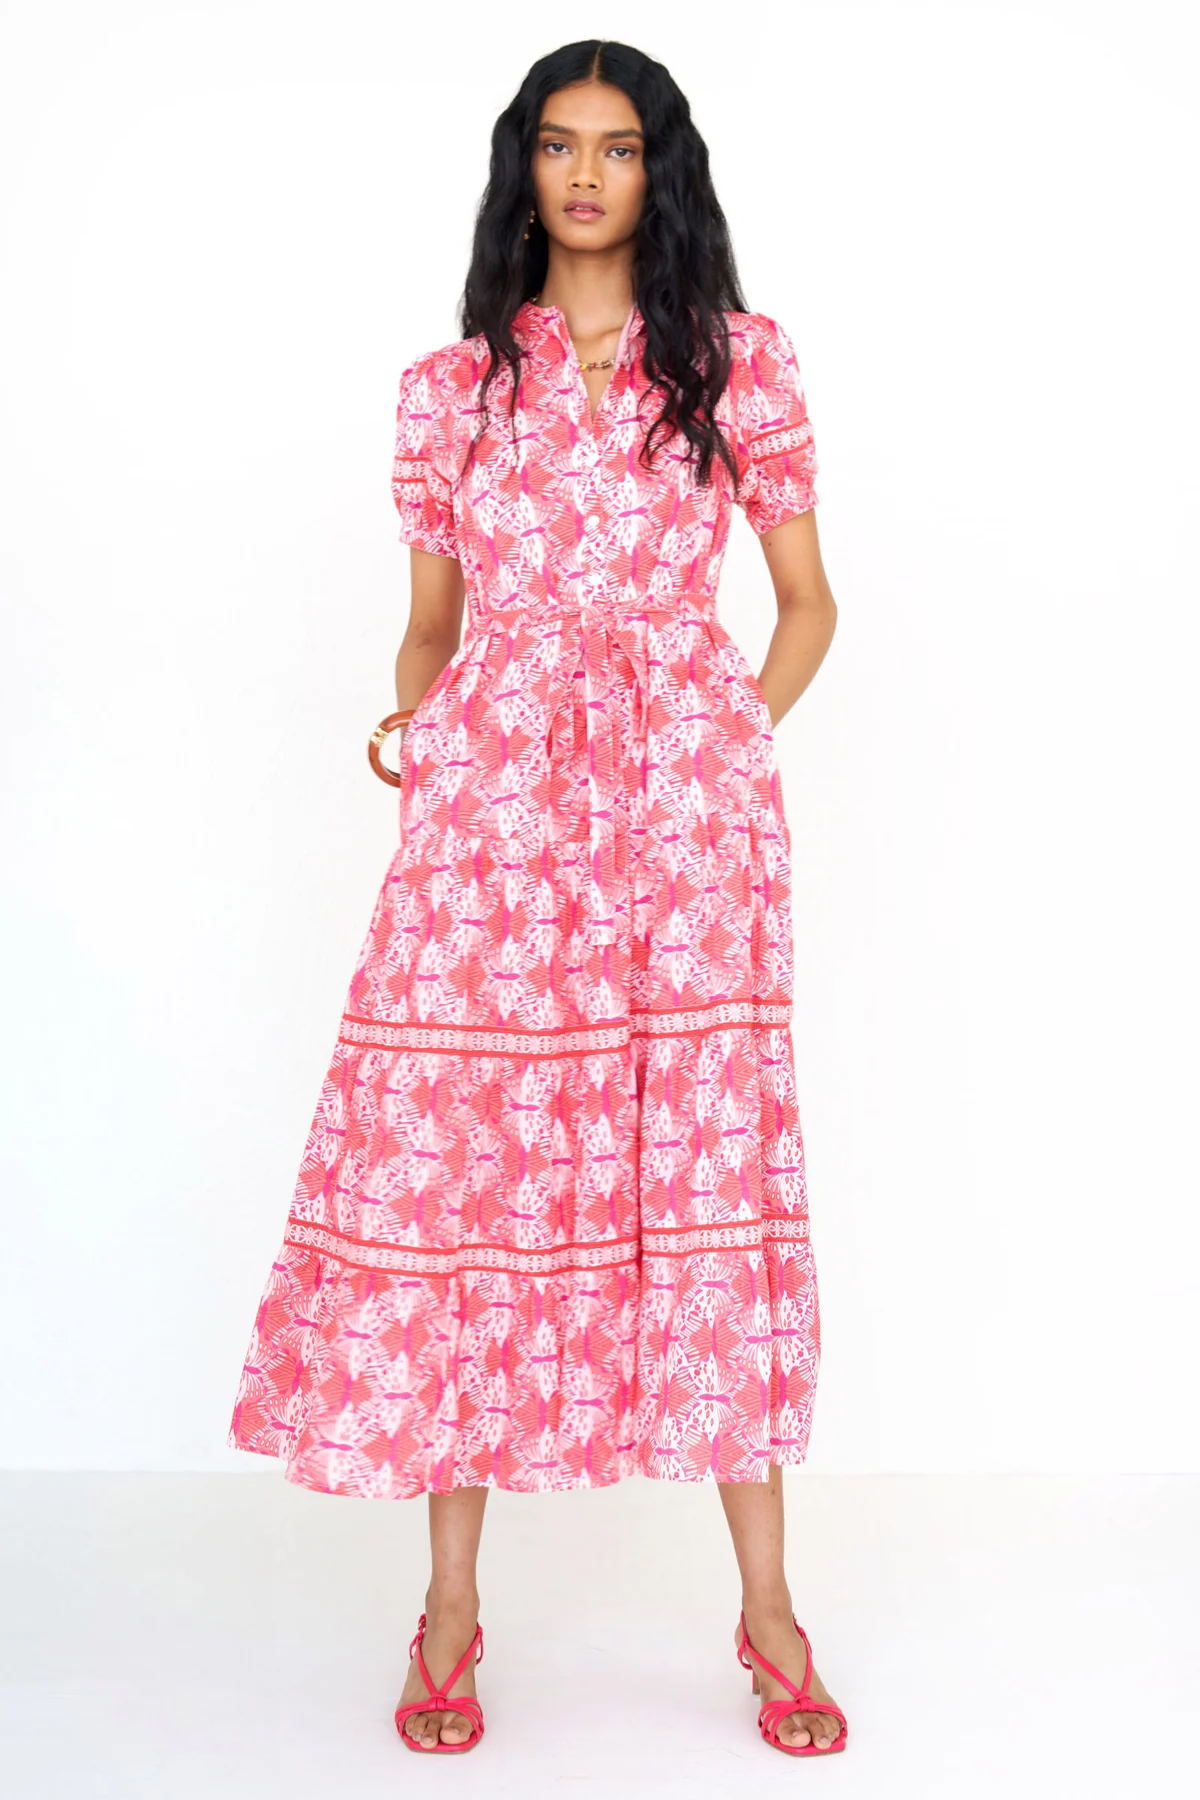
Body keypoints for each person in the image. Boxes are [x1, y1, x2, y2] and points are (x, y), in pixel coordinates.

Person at [227, 37, 845, 1760]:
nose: (589, 174)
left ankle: (772, 1607)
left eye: (622, 147)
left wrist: (725, 748)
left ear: (663, 173)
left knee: (702, 1176)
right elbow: (431, 627)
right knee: (469, 1184)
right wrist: (423, 733)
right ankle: (447, 1608)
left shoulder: (740, 364)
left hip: (685, 836)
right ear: (525, 168)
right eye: (561, 147)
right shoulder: (449, 392)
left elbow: (806, 605)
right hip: (492, 840)